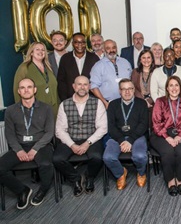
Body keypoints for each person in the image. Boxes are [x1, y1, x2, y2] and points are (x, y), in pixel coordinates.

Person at [0, 78, 54, 209]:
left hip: (41, 145)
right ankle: (22, 190)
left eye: (29, 87)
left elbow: (49, 132)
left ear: (34, 90)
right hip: (20, 145)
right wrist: (18, 150)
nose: (26, 90)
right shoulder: (11, 110)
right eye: (23, 88)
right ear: (19, 91)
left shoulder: (46, 108)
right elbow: (10, 134)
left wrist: (35, 149)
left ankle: (43, 189)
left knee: (46, 164)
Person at [54, 76, 108, 196]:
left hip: (91, 138)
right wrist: (71, 144)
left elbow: (102, 128)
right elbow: (60, 130)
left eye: (85, 84)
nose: (82, 87)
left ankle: (89, 176)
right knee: (57, 159)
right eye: (79, 84)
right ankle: (75, 178)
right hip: (70, 138)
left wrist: (87, 143)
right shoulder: (64, 104)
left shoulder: (97, 103)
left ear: (89, 87)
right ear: (74, 86)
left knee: (97, 157)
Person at [104, 79, 149, 190]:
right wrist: (121, 140)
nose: (127, 92)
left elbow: (143, 124)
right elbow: (111, 126)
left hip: (137, 136)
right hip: (117, 137)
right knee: (108, 157)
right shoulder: (113, 105)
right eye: (124, 89)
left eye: (130, 88)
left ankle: (141, 173)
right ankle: (120, 173)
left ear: (134, 90)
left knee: (140, 156)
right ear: (119, 91)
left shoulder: (142, 103)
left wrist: (130, 140)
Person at [150, 76, 181, 196]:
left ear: (180, 87)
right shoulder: (160, 101)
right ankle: (170, 181)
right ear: (167, 88)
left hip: (180, 132)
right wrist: (167, 137)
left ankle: (180, 180)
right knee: (168, 152)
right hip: (161, 134)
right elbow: (156, 123)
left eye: (176, 85)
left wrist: (180, 135)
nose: (174, 88)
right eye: (171, 85)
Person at [14, 42, 59, 117]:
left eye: (43, 50)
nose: (40, 52)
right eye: (37, 49)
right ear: (31, 53)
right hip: (35, 112)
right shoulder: (24, 68)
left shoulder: (48, 67)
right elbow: (17, 90)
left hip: (53, 110)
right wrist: (22, 111)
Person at [90, 39, 132, 108]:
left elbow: (131, 82)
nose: (111, 50)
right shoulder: (98, 66)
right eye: (108, 48)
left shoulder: (125, 62)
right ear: (103, 50)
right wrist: (104, 102)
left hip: (127, 103)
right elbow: (94, 87)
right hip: (108, 104)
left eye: (114, 47)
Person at [57, 32, 99, 101]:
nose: (80, 45)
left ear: (85, 44)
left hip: (91, 99)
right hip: (70, 99)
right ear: (72, 43)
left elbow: (98, 80)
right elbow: (61, 81)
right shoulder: (65, 58)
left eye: (82, 42)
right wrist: (64, 99)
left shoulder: (94, 58)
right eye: (76, 42)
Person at [131, 50, 156, 125]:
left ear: (152, 59)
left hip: (154, 103)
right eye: (143, 58)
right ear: (140, 60)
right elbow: (133, 87)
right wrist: (143, 101)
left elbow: (159, 88)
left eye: (148, 57)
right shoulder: (135, 72)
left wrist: (149, 101)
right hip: (139, 104)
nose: (146, 60)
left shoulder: (157, 71)